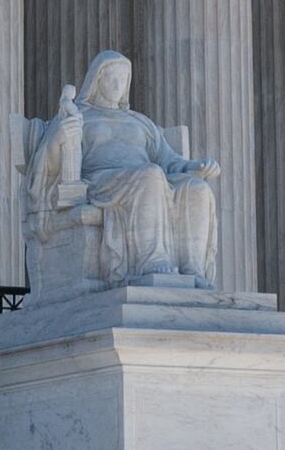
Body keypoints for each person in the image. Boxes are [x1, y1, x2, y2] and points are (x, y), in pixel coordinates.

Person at [19, 52, 226, 289]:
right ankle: (151, 262)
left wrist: (194, 167)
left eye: (123, 78)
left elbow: (169, 160)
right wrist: (60, 136)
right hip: (100, 182)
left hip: (146, 180)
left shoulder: (141, 122)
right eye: (111, 78)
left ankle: (192, 270)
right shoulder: (77, 115)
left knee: (196, 188)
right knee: (151, 176)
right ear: (97, 80)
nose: (118, 85)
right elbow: (47, 165)